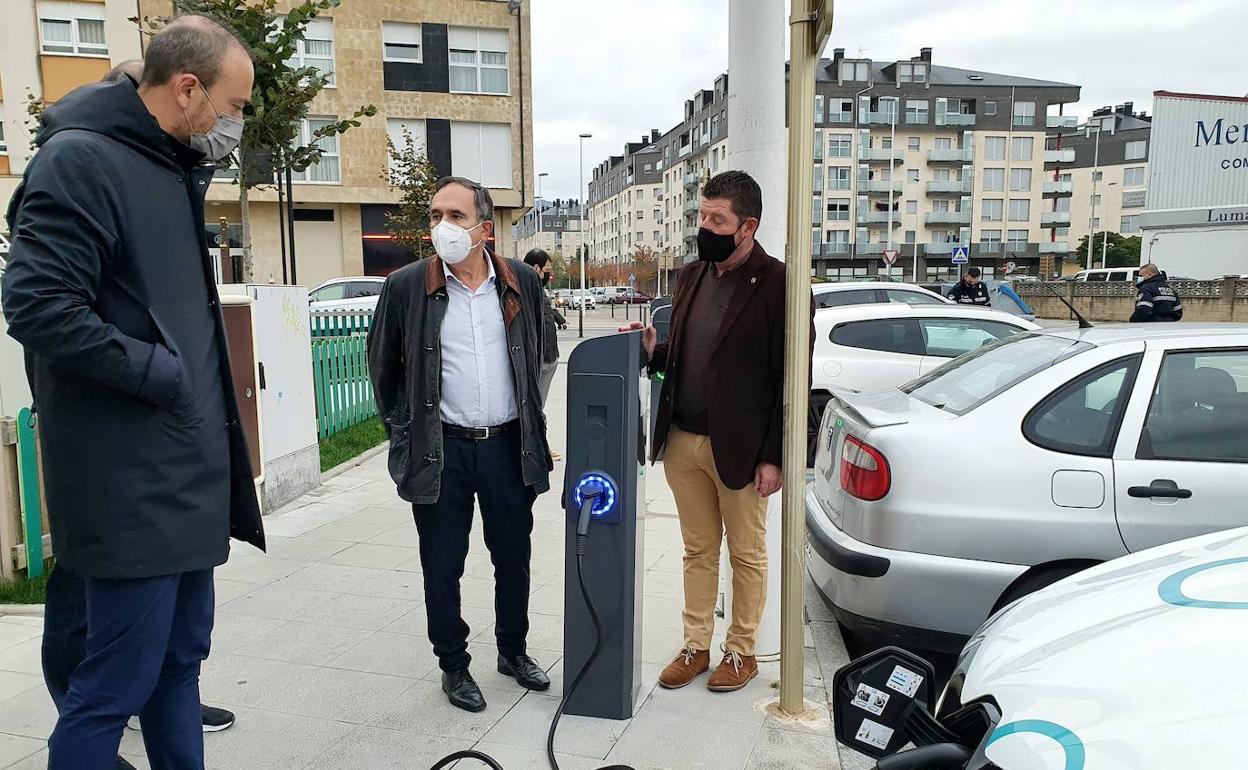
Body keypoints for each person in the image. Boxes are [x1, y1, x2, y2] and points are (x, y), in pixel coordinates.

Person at [2, 16, 264, 770]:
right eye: (233, 105)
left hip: (185, 479)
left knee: (178, 671)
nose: (235, 125)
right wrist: (160, 372)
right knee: (111, 691)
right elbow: (39, 304)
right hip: (130, 489)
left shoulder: (166, 163)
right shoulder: (81, 162)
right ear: (186, 89)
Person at [367, 177, 553, 713]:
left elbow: (542, 356)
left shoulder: (519, 281)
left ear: (485, 229)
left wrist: (531, 420)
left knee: (513, 557)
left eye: (455, 215)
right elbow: (384, 373)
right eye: (435, 214)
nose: (441, 226)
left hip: (506, 446)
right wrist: (405, 437)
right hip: (440, 450)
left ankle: (513, 652)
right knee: (442, 564)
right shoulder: (405, 286)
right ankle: (453, 665)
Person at [626, 171, 798, 693]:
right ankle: (696, 646)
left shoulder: (780, 284)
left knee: (746, 553)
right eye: (702, 216)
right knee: (697, 549)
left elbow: (790, 377)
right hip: (683, 439)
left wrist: (775, 456)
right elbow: (685, 355)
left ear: (748, 226)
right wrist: (654, 350)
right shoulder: (691, 275)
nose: (705, 227)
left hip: (743, 449)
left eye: (716, 219)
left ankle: (741, 652)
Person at [522, 248, 566, 403]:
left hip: (548, 357)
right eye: (547, 270)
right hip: (539, 361)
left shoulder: (537, 289)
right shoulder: (524, 290)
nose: (549, 274)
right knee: (535, 408)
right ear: (536, 268)